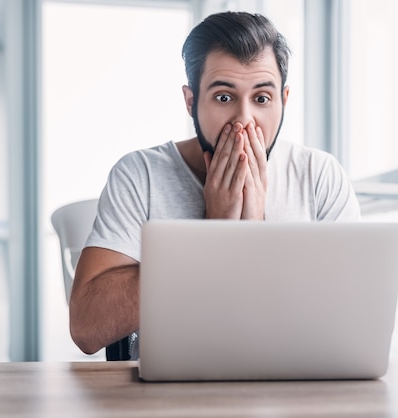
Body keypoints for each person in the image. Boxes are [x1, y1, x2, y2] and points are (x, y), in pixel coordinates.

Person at [69, 11, 360, 359]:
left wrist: (254, 238)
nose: (244, 120)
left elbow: (350, 327)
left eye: (262, 99)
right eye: (224, 97)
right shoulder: (140, 174)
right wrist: (212, 238)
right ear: (191, 101)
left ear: (283, 99)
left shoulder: (320, 176)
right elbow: (86, 329)